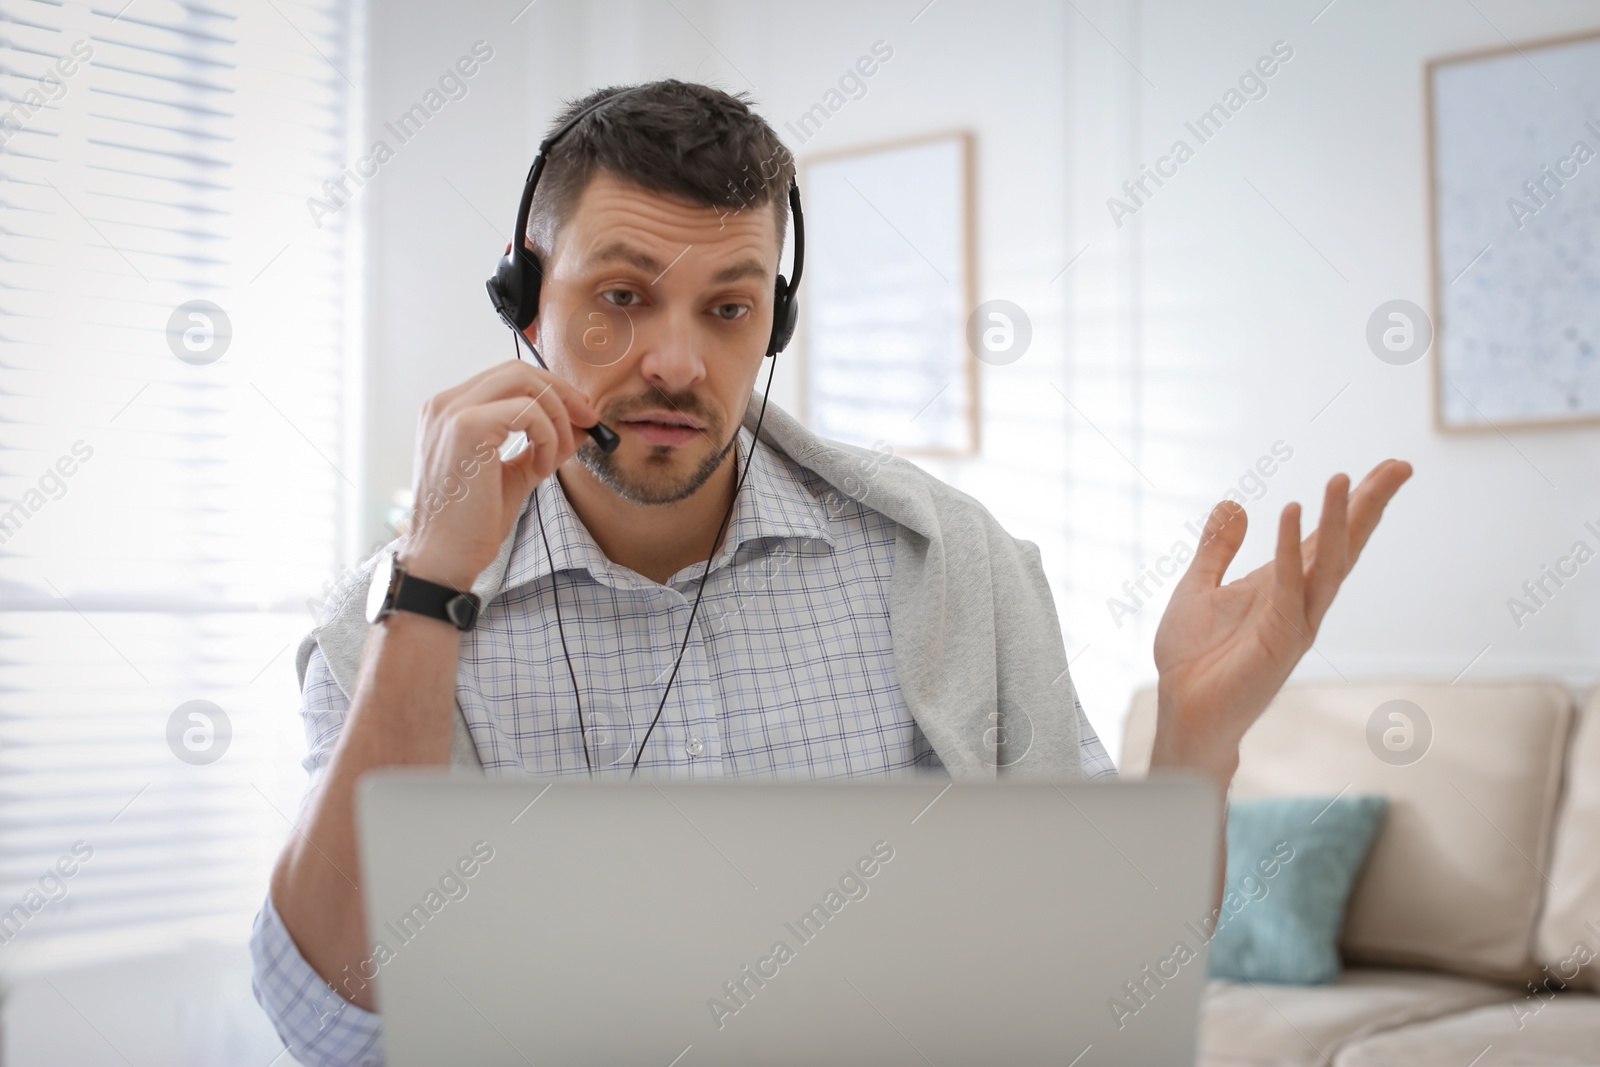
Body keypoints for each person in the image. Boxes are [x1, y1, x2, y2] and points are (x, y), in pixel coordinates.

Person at [249, 79, 1412, 1067]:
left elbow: (1100, 980)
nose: (675, 358)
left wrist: (1196, 748)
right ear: (524, 299)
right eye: (620, 295)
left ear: (776, 320)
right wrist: (427, 585)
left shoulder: (950, 563)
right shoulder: (392, 624)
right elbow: (330, 1015)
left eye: (728, 308)